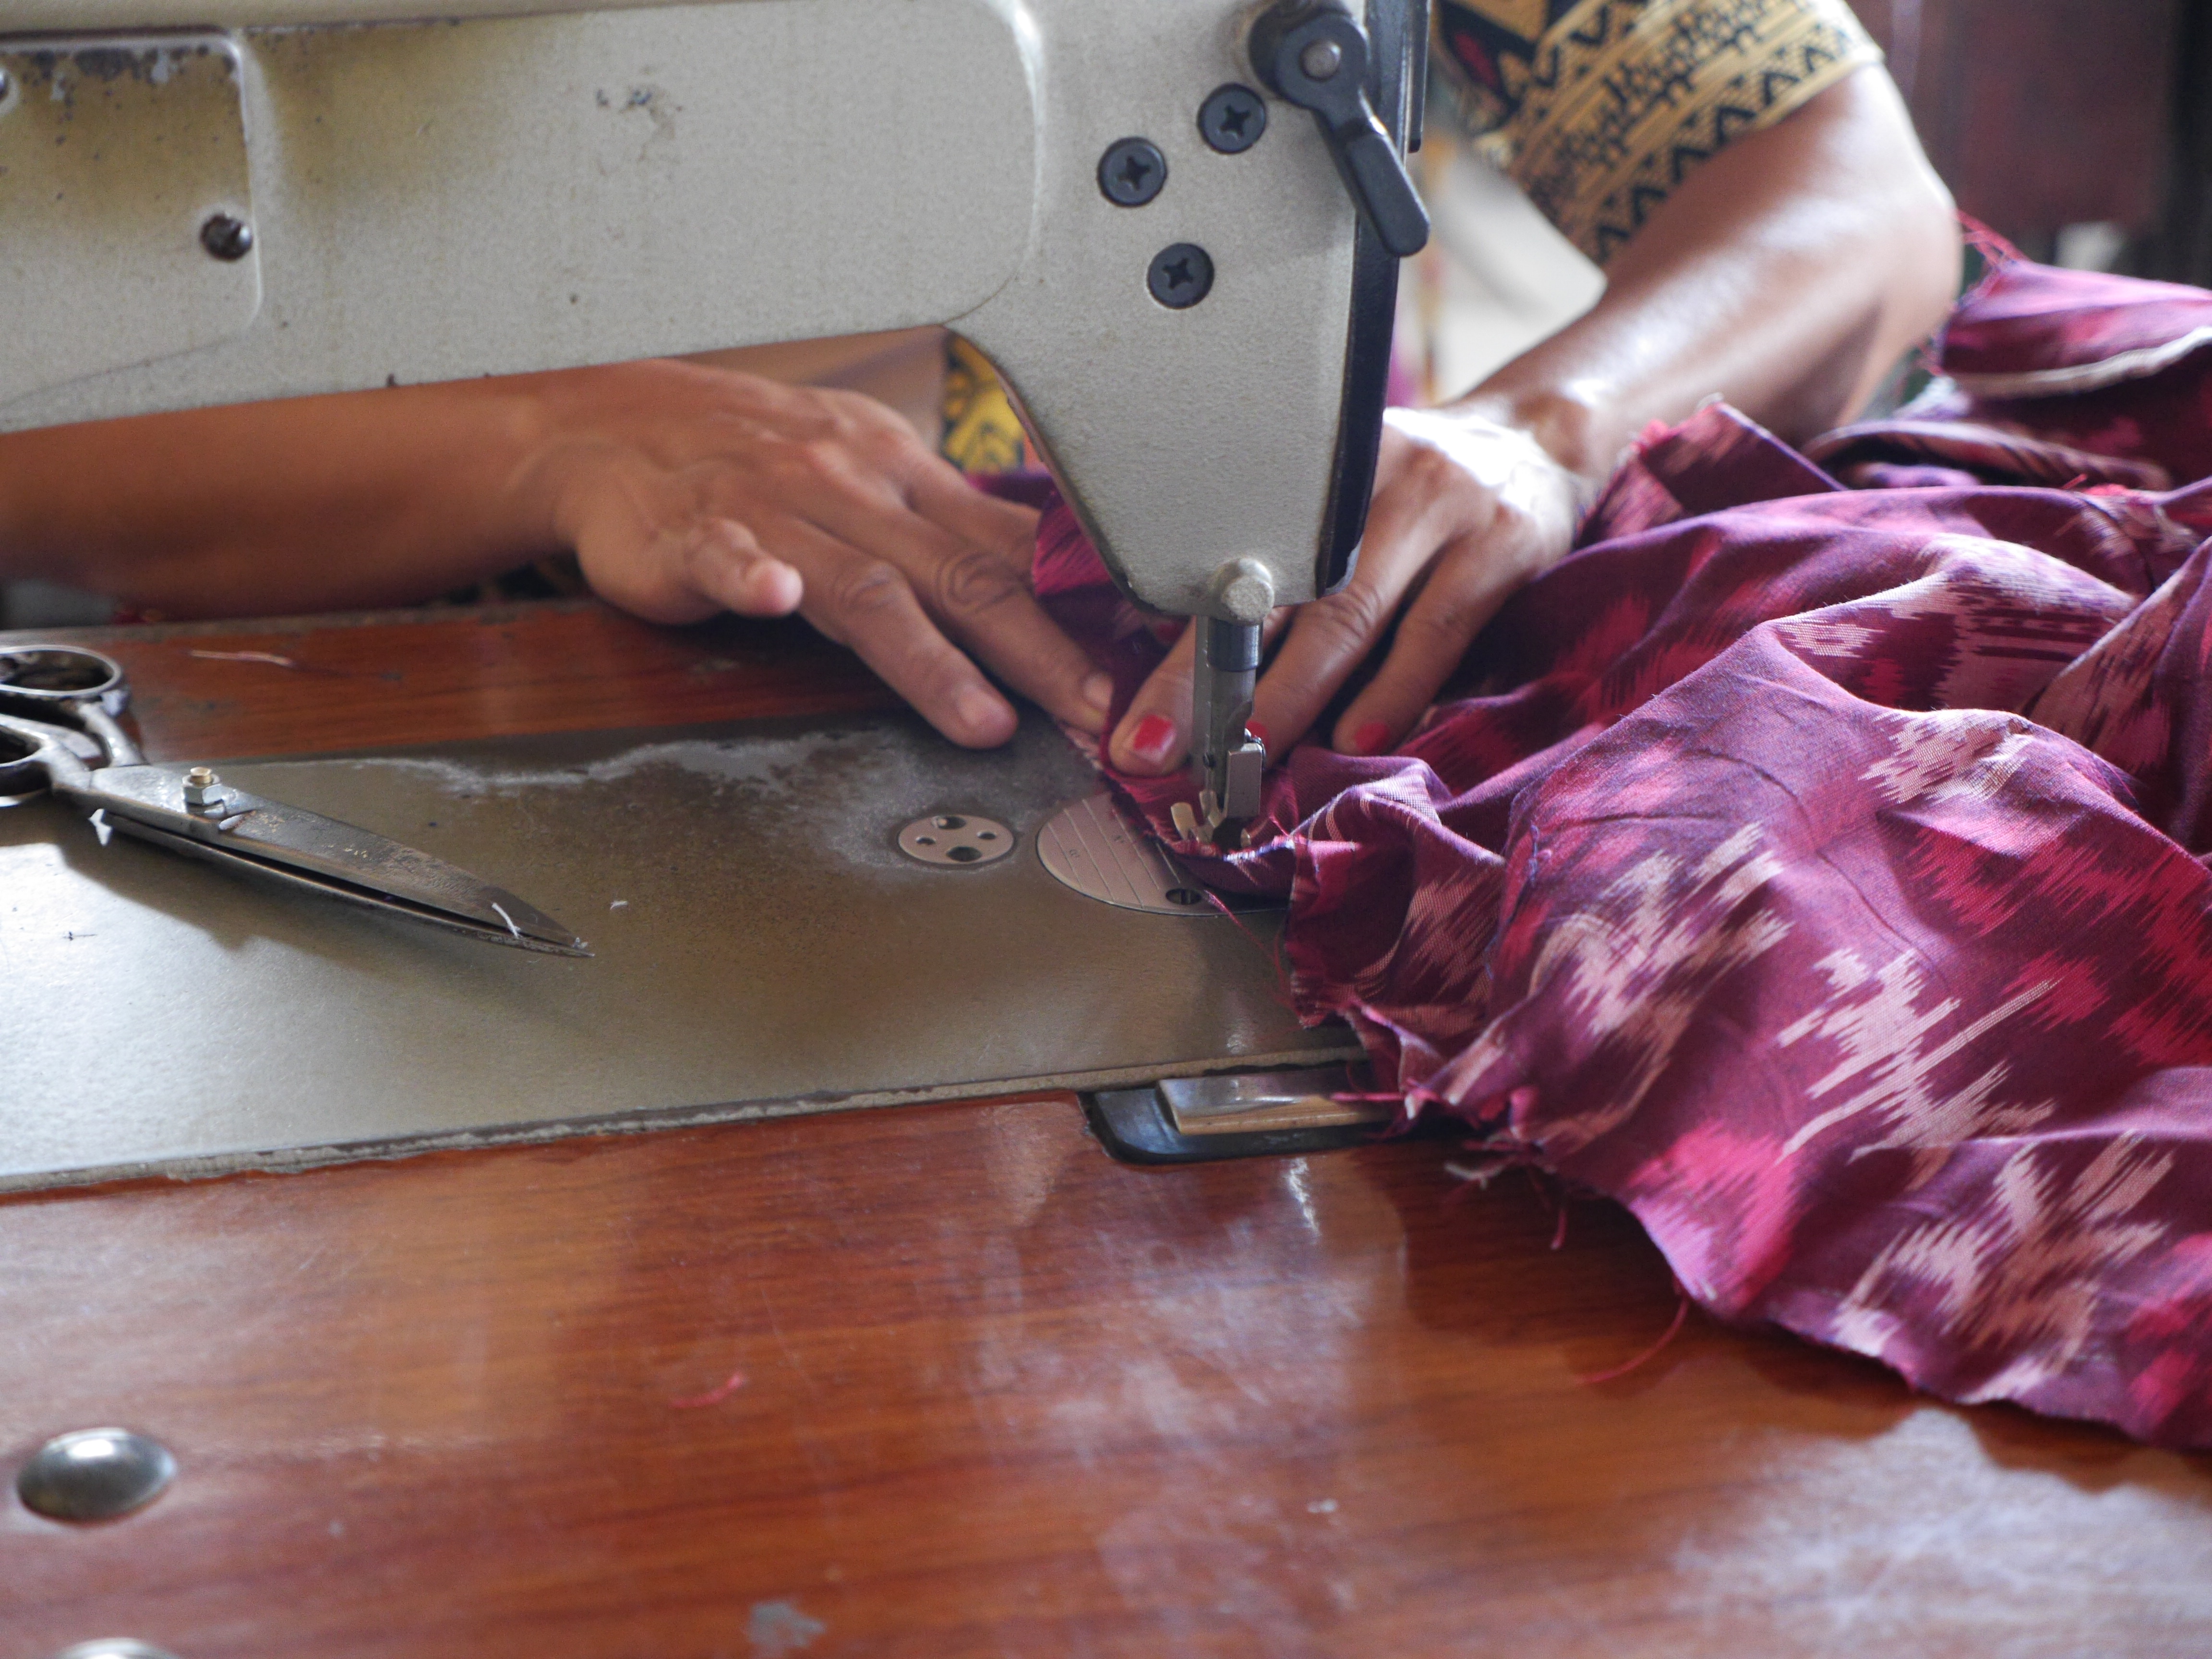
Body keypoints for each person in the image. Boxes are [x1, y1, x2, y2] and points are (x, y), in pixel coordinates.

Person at [0, 0, 1957, 769]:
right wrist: (564, 437)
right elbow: (46, 402)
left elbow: (1852, 189)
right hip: (397, 718)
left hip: (1199, 683)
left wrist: (1542, 429)